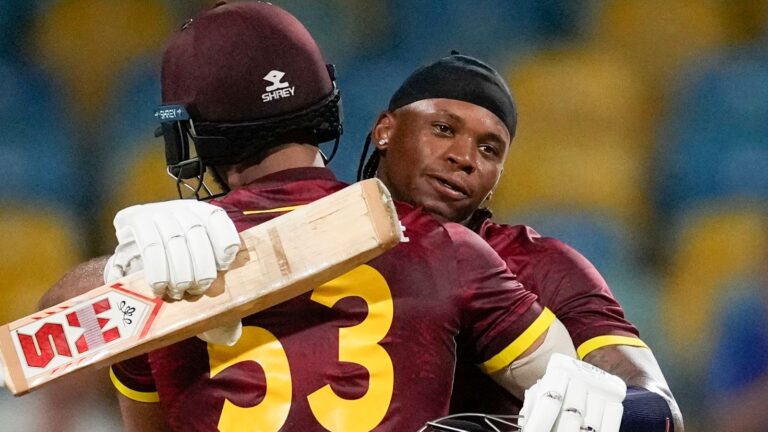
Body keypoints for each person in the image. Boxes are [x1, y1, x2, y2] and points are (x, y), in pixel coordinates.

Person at [36, 2, 584, 430]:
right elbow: (589, 403)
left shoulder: (158, 286)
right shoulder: (449, 249)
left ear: (189, 137)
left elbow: (48, 342)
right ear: (329, 106)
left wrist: (121, 278)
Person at [357, 54, 684, 430]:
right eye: (444, 129)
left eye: (488, 149)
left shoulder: (539, 267)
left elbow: (659, 412)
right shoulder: (309, 239)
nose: (464, 158)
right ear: (385, 130)